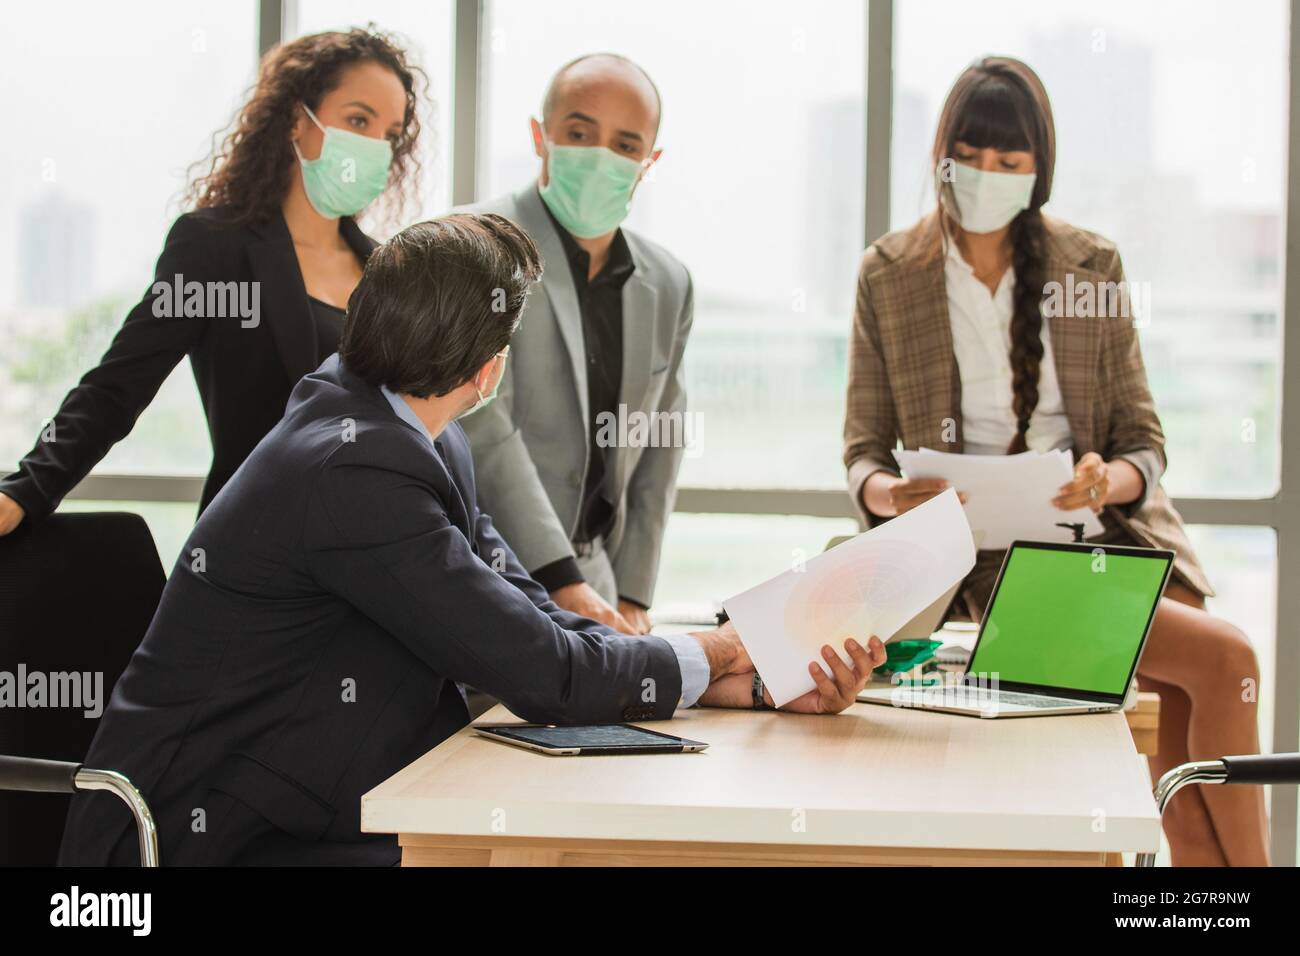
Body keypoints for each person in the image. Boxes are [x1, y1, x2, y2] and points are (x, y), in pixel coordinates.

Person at [60, 214, 884, 866]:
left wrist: (746, 681)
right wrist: (723, 650)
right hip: (207, 837)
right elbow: (544, 673)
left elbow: (529, 616)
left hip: (313, 795)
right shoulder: (356, 471)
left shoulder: (411, 430)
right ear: (488, 368)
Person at [842, 57, 1268, 866]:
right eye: (971, 156)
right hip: (995, 568)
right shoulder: (888, 275)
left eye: (1010, 162)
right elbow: (862, 448)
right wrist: (894, 493)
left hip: (1114, 543)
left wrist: (1109, 478)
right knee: (1227, 661)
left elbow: (1145, 440)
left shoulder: (1091, 264)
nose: (987, 175)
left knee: (1185, 772)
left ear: (1039, 171)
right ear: (942, 156)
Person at [0, 28, 425, 535]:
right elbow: (118, 386)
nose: (376, 148)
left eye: (390, 134)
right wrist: (26, 488)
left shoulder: (387, 272)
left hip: (377, 550)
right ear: (297, 118)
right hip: (259, 552)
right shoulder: (217, 249)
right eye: (358, 120)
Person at [461, 53, 691, 635]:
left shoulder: (668, 282)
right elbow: (485, 419)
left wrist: (634, 592)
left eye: (625, 144)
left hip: (600, 588)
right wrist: (559, 578)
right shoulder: (471, 243)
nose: (600, 156)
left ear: (650, 161)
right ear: (541, 136)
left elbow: (662, 438)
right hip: (479, 572)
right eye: (580, 133)